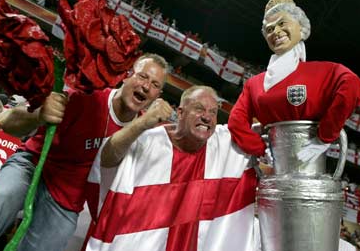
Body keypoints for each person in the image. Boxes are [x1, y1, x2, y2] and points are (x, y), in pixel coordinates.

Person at [0, 53, 168, 251]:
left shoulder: (145, 135)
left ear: (158, 96)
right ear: (126, 75)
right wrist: (40, 114)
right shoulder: (87, 96)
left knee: (52, 242)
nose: (146, 86)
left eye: (155, 85)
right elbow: (5, 122)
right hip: (33, 165)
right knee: (3, 198)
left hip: (66, 196)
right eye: (142, 76)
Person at [85, 85, 257, 251]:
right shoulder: (147, 141)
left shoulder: (223, 145)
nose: (207, 117)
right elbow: (107, 157)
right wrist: (143, 122)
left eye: (213, 112)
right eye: (199, 109)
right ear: (180, 112)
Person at [228, 0, 360, 161]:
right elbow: (236, 122)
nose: (276, 32)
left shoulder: (324, 72)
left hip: (309, 170)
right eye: (269, 29)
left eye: (282, 23)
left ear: (301, 27)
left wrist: (324, 136)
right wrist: (259, 149)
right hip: (272, 172)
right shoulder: (254, 84)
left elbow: (352, 85)